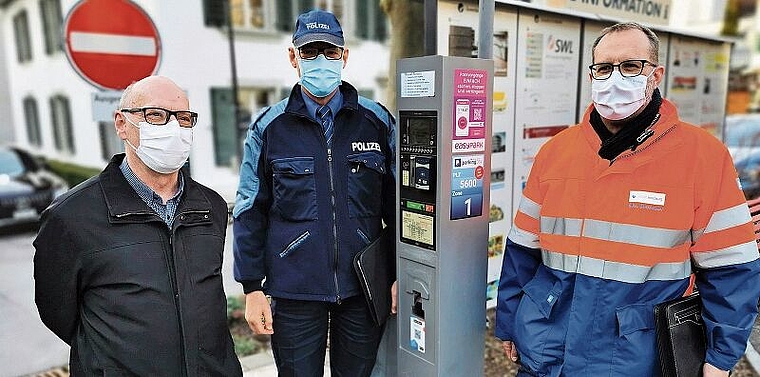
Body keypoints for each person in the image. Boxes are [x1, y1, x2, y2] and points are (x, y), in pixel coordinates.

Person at [495, 22, 760, 377]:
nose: (614, 78)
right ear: (592, 75)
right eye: (604, 68)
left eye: (631, 66)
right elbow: (522, 251)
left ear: (656, 75)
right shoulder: (556, 152)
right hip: (546, 349)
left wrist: (719, 358)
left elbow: (731, 269)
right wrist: (510, 321)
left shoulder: (704, 158)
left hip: (635, 358)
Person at [33, 76, 242, 376]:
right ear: (121, 124)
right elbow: (57, 311)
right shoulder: (71, 217)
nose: (173, 128)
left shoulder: (212, 206)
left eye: (183, 119)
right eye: (155, 115)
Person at [232, 9, 396, 376]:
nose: (321, 60)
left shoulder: (377, 122)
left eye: (330, 51)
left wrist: (398, 272)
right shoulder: (268, 128)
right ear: (293, 57)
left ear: (344, 56)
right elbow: (248, 210)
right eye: (310, 52)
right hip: (294, 290)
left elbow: (398, 206)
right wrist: (251, 287)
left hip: (362, 287)